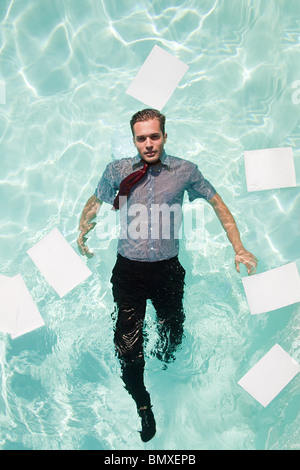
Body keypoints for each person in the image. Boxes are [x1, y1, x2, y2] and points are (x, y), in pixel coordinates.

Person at [77, 109, 258, 442]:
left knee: (173, 332)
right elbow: (95, 201)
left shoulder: (186, 171)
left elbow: (218, 204)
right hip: (128, 272)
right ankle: (143, 404)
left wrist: (239, 247)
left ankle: (165, 358)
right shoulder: (117, 170)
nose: (148, 144)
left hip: (167, 272)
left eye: (154, 136)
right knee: (128, 348)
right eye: (141, 138)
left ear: (164, 135)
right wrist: (82, 231)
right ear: (134, 139)